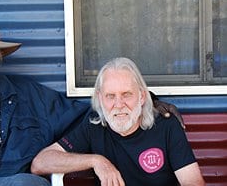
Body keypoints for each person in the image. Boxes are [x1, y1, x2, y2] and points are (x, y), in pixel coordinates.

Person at [0, 16, 181, 186]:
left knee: (29, 183)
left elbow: (89, 113)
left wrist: (147, 101)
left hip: (9, 184)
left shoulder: (28, 96)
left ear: (0, 57)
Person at [31, 57, 205, 186]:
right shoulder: (94, 126)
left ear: (142, 96)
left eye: (126, 94)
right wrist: (96, 161)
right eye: (110, 96)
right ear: (100, 98)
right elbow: (41, 162)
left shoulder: (166, 125)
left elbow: (193, 183)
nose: (119, 104)